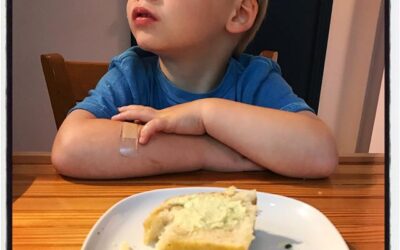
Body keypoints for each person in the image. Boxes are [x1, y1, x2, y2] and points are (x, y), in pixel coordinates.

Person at [52, 0, 338, 179]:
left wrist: (204, 113)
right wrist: (205, 152)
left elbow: (319, 152)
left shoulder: (255, 80)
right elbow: (70, 147)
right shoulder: (132, 74)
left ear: (238, 13)